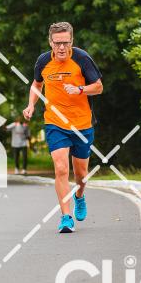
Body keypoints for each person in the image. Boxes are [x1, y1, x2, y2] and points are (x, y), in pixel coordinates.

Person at [23, 21, 103, 233]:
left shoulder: (81, 58)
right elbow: (36, 84)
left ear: (71, 41)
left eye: (65, 43)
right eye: (57, 43)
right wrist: (31, 105)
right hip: (55, 123)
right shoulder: (43, 61)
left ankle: (79, 196)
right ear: (50, 42)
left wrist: (79, 89)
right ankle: (66, 217)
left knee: (81, 175)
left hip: (82, 124)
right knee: (60, 168)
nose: (61, 47)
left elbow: (98, 87)